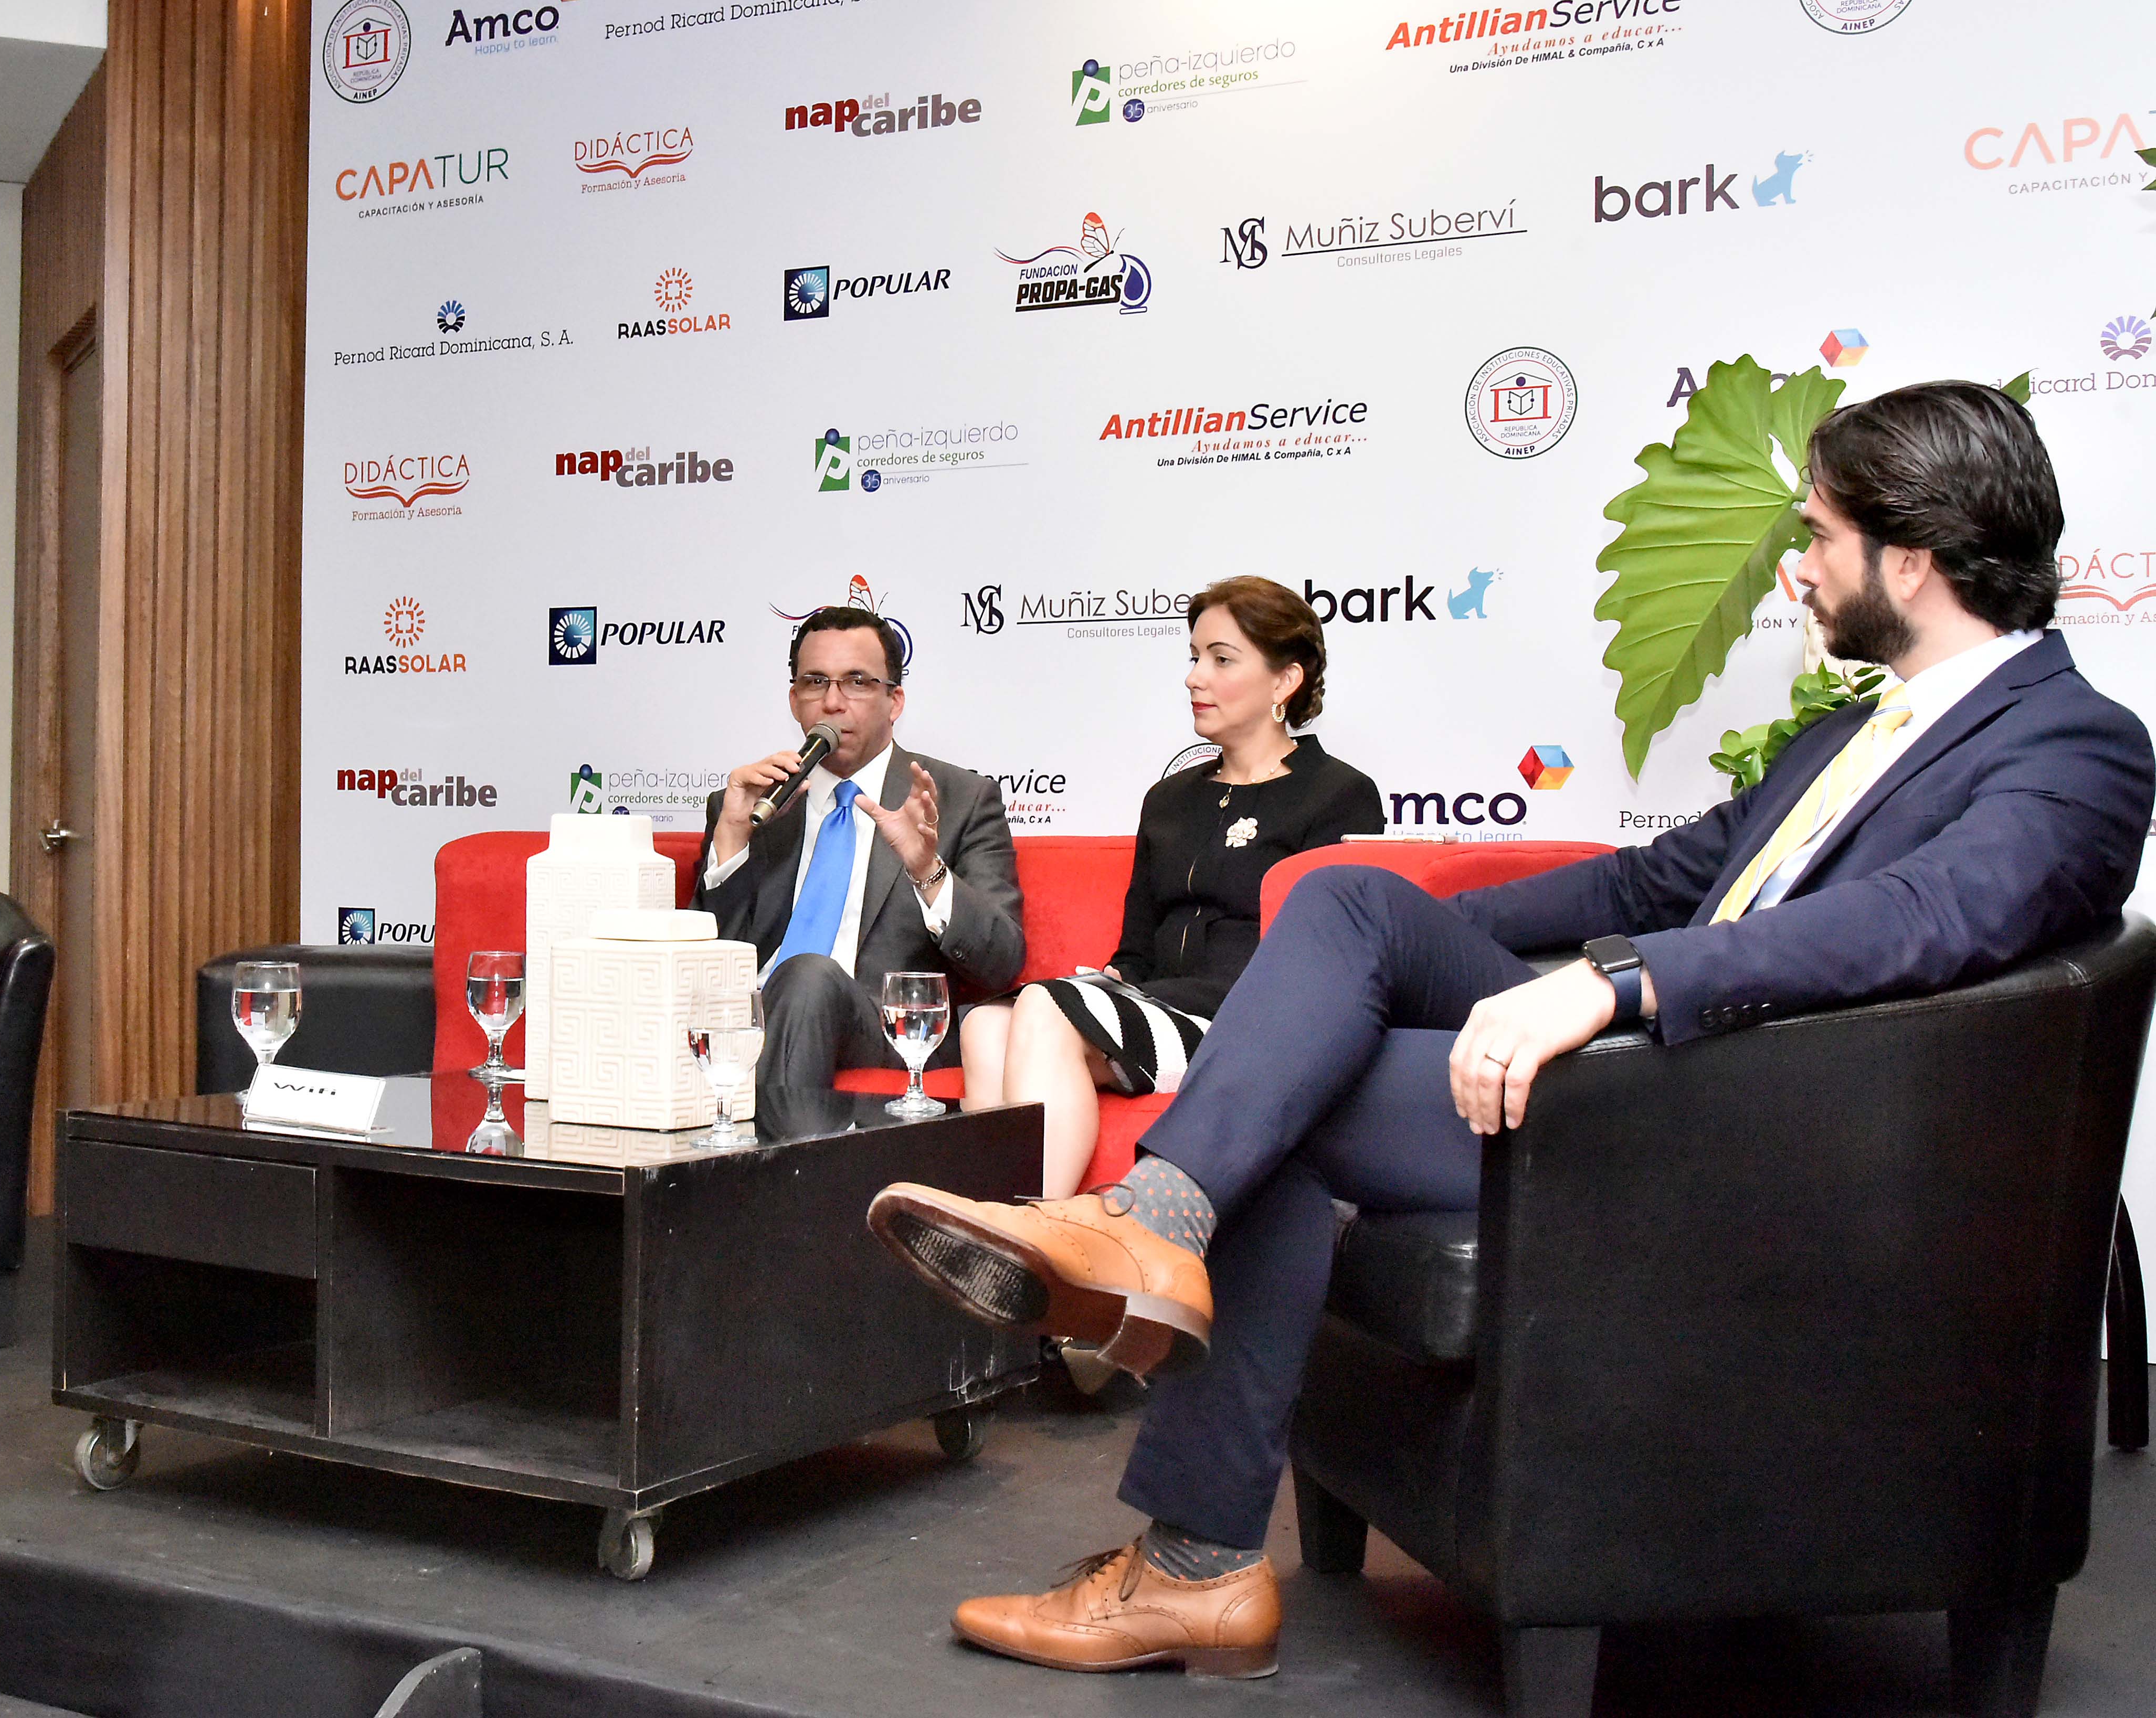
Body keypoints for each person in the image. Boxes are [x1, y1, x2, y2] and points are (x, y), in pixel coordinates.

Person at [862, 381, 2154, 1679]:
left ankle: (1190, 1531)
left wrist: (1614, 985)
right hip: (1669, 1074)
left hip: (1743, 1122)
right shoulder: (1848, 730)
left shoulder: (2074, 744)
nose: (1796, 566)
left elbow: (1921, 916)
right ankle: (1158, 1238)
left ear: (1912, 559)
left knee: (1291, 1098)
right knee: (1349, 905)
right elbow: (1655, 878)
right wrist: (1424, 918)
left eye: (1816, 534)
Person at [959, 577, 1382, 1197]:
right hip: (1157, 1004)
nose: (1194, 677)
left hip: (1242, 1023)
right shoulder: (1168, 799)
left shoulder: (1337, 796)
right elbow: (1135, 951)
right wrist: (1113, 982)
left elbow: (1318, 965)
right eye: (1194, 657)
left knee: (1044, 1008)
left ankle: (1034, 1235)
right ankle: (997, 1221)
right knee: (984, 1026)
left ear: (1283, 682)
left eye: (1221, 658)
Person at [694, 605, 1023, 1095]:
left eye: (856, 682)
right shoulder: (750, 804)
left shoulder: (959, 799)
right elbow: (700, 964)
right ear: (793, 700)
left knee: (807, 976)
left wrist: (925, 869)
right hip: (755, 1020)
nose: (832, 702)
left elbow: (1001, 961)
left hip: (881, 1028)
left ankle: (771, 1164)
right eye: (814, 682)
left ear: (894, 701)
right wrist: (733, 837)